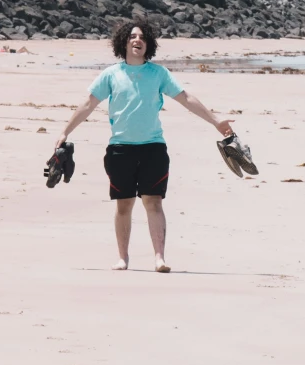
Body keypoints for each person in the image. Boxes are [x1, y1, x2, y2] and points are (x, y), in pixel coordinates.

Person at [49, 18, 234, 273]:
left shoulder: (158, 74)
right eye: (133, 37)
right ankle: (123, 258)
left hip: (153, 147)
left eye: (143, 38)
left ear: (149, 45)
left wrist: (215, 120)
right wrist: (64, 131)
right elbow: (88, 104)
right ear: (123, 42)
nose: (138, 40)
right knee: (123, 204)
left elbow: (185, 98)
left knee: (153, 201)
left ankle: (160, 257)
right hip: (120, 149)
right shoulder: (111, 74)